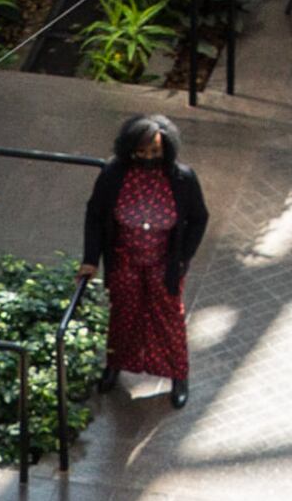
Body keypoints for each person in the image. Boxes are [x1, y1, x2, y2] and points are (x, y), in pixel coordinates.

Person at [82, 115, 210, 409]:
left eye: (155, 152)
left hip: (163, 263)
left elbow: (199, 218)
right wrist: (90, 259)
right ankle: (115, 364)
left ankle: (178, 375)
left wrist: (183, 258)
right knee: (123, 314)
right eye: (142, 152)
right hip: (125, 260)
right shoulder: (114, 174)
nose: (149, 158)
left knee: (168, 318)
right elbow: (96, 215)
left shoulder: (182, 178)